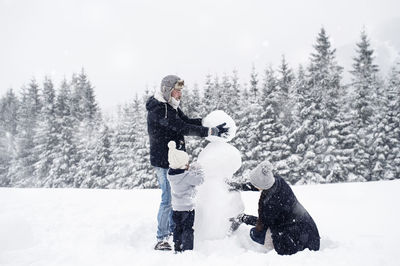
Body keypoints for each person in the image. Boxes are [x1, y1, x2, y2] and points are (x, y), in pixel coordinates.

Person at [146, 75, 229, 251]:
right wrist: (209, 131)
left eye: (181, 91)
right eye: (177, 91)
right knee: (168, 199)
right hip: (164, 161)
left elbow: (185, 121)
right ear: (167, 91)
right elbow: (181, 128)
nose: (180, 94)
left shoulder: (171, 107)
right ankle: (162, 238)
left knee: (176, 197)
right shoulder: (159, 110)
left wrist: (206, 124)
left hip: (175, 160)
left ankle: (172, 229)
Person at [230, 160, 320, 255]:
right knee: (273, 228)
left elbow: (262, 224)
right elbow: (260, 184)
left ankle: (273, 255)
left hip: (302, 241)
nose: (254, 185)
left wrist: (243, 218)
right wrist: (240, 186)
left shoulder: (271, 204)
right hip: (308, 229)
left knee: (268, 235)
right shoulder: (277, 181)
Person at [166, 141, 204, 252]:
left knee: (178, 228)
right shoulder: (187, 176)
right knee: (188, 229)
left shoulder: (171, 175)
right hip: (187, 208)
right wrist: (199, 169)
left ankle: (177, 247)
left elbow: (182, 174)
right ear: (182, 165)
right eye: (186, 162)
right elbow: (200, 180)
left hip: (176, 208)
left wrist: (188, 170)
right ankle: (187, 249)